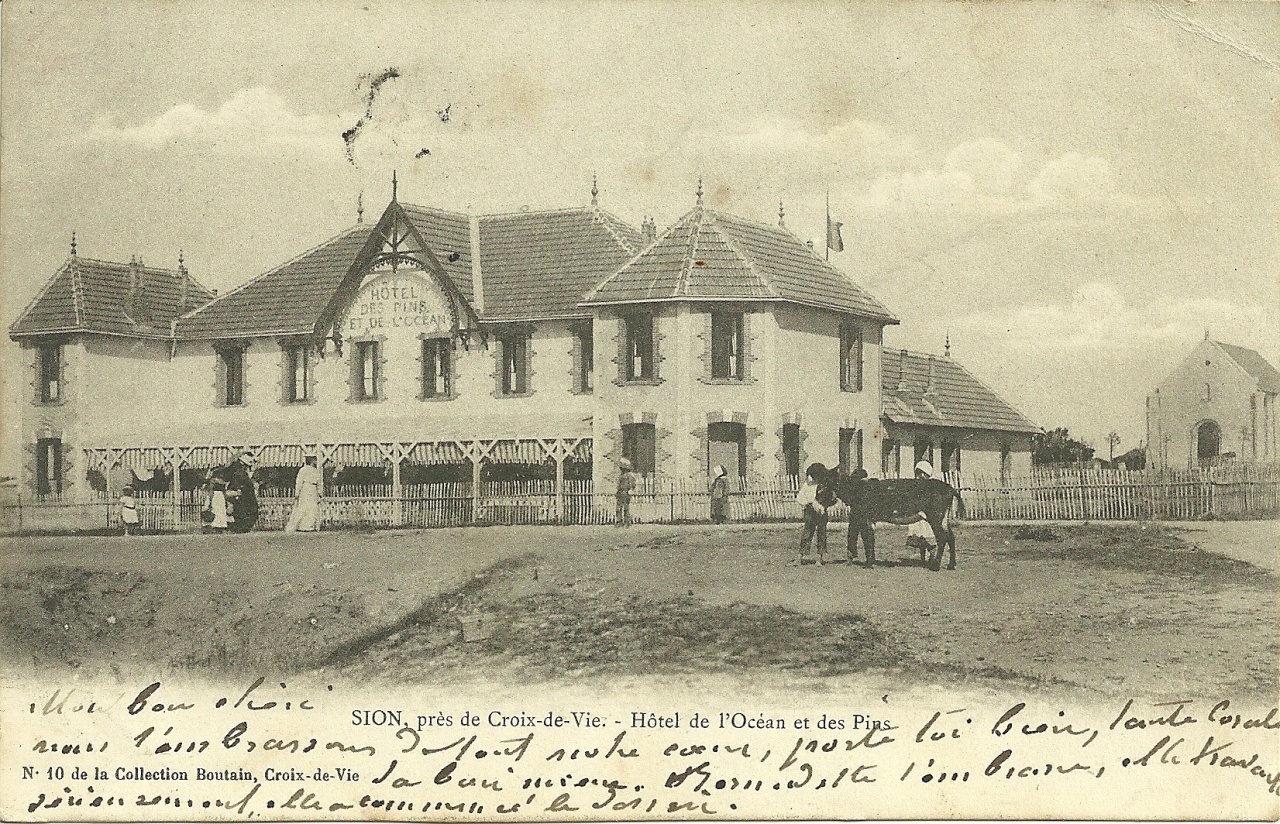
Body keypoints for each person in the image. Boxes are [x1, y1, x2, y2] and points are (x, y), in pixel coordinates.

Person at [794, 462, 831, 565]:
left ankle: (819, 557)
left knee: (821, 534)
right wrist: (809, 503)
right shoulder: (808, 485)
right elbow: (800, 498)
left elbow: (831, 499)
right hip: (809, 511)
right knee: (807, 533)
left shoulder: (824, 486)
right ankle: (800, 556)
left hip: (821, 512)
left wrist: (823, 506)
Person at [907, 460, 939, 561]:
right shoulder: (916, 486)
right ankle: (922, 556)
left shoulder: (931, 486)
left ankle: (932, 554)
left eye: (922, 474)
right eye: (917, 473)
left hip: (926, 515)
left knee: (927, 536)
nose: (919, 476)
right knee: (918, 536)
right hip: (917, 514)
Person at [285, 454, 322, 533]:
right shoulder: (303, 470)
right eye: (314, 460)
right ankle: (302, 526)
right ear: (311, 461)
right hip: (305, 489)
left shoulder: (316, 471)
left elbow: (319, 483)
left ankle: (310, 526)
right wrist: (297, 492)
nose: (316, 462)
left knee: (312, 508)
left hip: (312, 490)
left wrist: (319, 493)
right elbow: (299, 482)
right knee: (304, 507)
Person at [224, 452, 259, 534]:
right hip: (243, 498)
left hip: (245, 498)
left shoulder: (243, 474)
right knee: (245, 514)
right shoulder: (240, 474)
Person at [615, 458, 635, 527]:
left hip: (626, 492)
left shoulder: (629, 475)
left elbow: (632, 484)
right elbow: (619, 485)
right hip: (620, 492)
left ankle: (627, 522)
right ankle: (619, 521)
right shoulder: (621, 475)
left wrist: (631, 489)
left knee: (626, 508)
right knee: (618, 508)